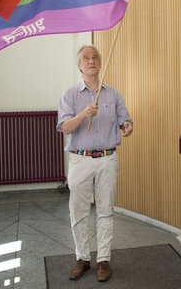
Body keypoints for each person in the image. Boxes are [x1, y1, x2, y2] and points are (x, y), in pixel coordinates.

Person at [56, 45, 134, 282]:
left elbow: (126, 121)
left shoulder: (112, 94)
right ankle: (82, 258)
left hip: (107, 160)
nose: (91, 61)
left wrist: (128, 127)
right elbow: (65, 128)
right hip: (80, 160)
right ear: (79, 66)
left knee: (105, 211)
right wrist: (83, 114)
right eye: (86, 58)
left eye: (95, 58)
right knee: (78, 212)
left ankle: (103, 260)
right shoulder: (70, 95)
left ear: (100, 64)